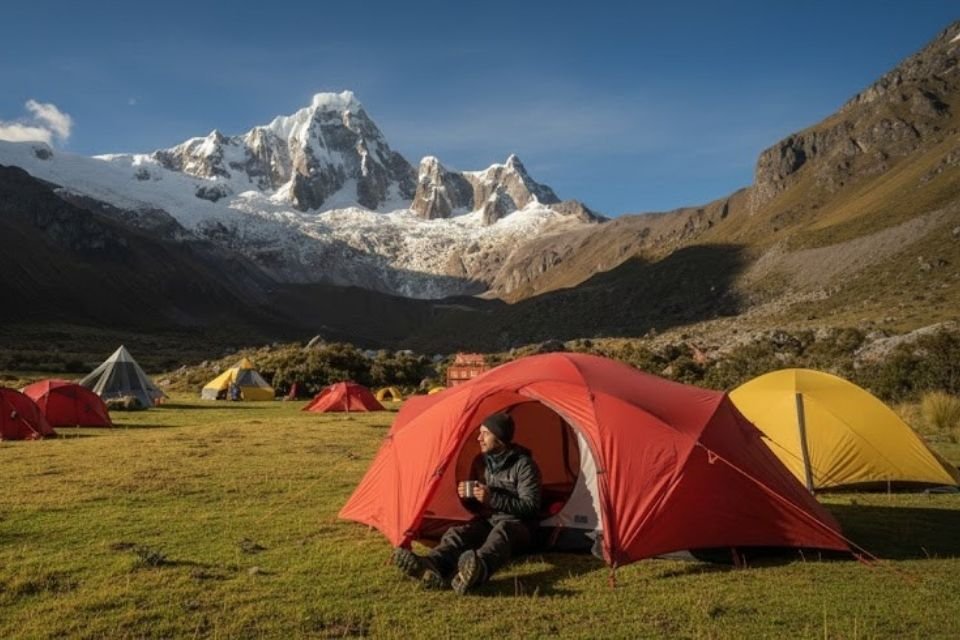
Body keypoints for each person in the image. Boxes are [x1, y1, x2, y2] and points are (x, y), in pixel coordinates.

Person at [392, 411, 542, 595]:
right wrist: (469, 498)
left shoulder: (524, 465)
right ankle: (433, 565)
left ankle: (479, 569)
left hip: (520, 526)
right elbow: (476, 508)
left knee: (503, 532)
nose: (479, 438)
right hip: (488, 520)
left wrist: (492, 498)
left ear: (500, 438)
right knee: (459, 533)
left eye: (485, 433)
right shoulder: (480, 462)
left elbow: (531, 507)